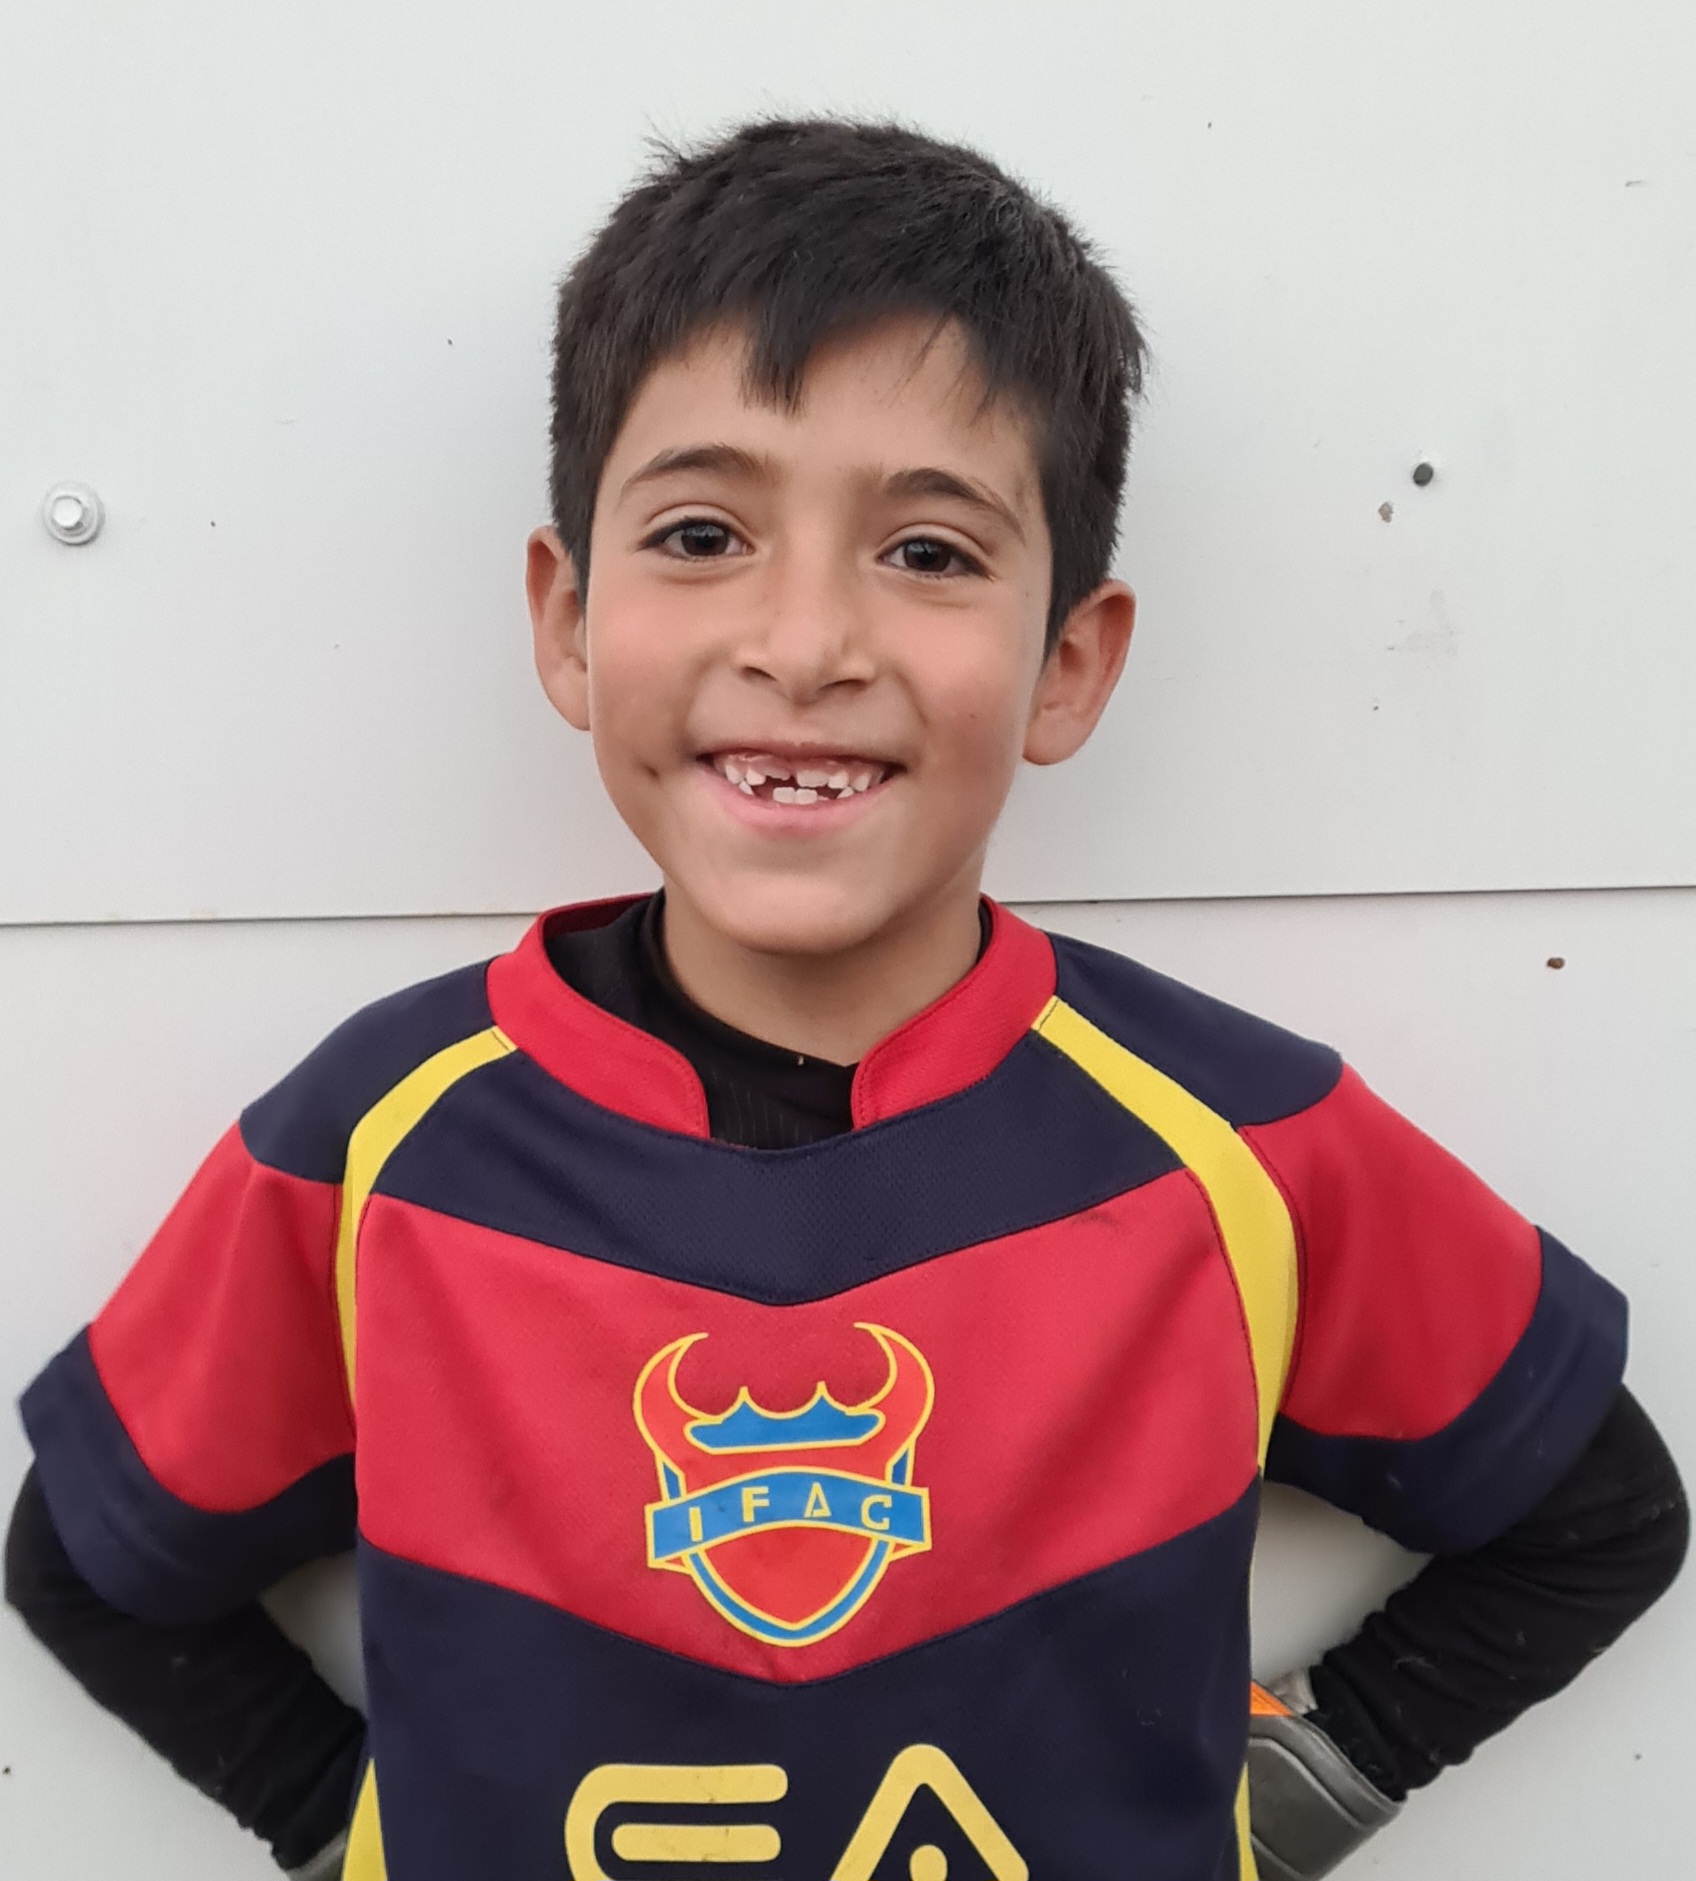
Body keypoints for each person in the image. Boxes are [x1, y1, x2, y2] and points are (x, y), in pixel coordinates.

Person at [5, 118, 1685, 1881]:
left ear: (1069, 662)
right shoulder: (376, 1144)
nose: (805, 643)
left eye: (931, 552)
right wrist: (356, 1828)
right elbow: (91, 1562)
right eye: (703, 530)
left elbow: (1598, 1517)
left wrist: (1287, 1799)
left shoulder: (1244, 1147)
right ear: (567, 618)